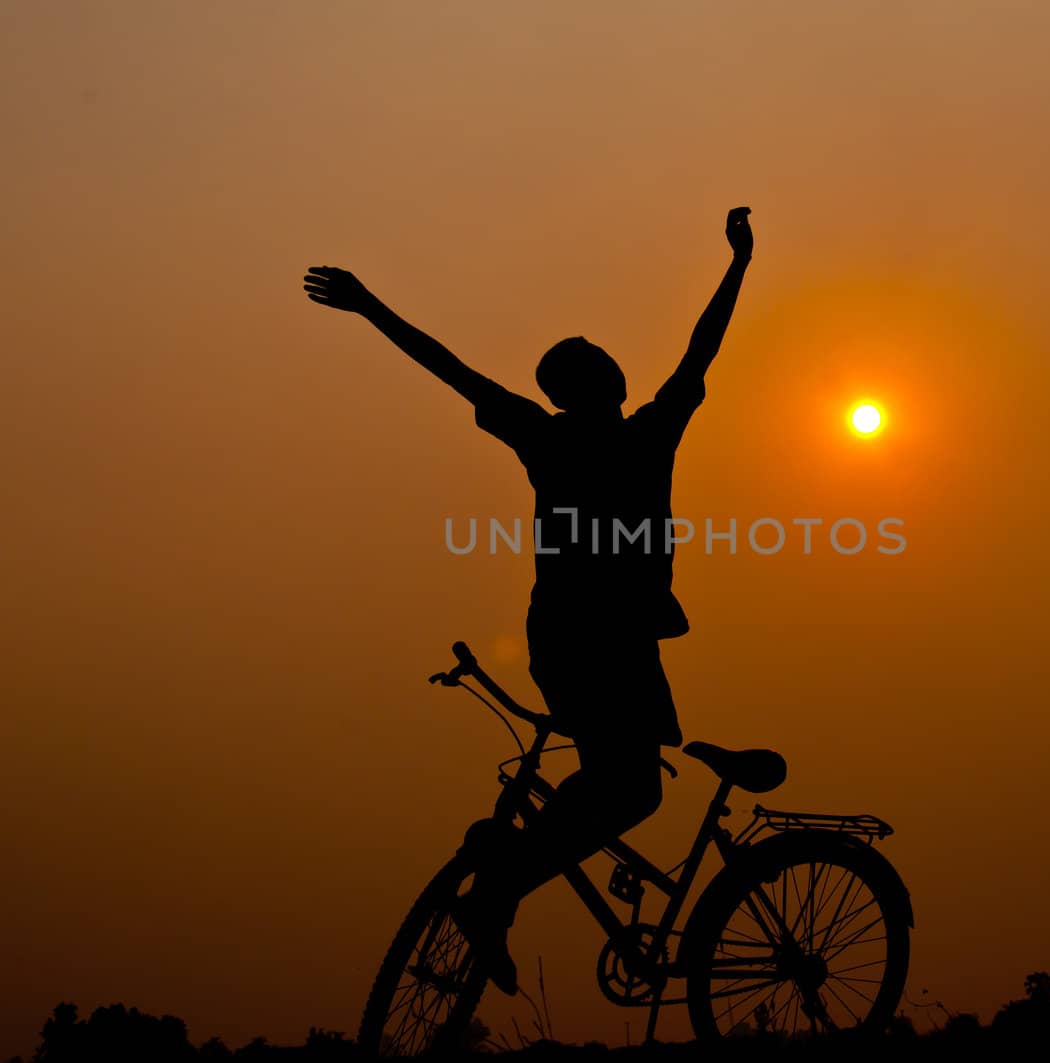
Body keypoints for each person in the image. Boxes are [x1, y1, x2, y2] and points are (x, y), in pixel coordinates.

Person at [303, 206, 753, 994]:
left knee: (614, 780)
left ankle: (502, 870)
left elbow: (450, 368)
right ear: (607, 385)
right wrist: (738, 264)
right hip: (609, 642)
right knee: (633, 787)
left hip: (568, 638)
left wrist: (371, 305)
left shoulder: (546, 436)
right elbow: (701, 346)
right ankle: (502, 884)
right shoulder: (647, 433)